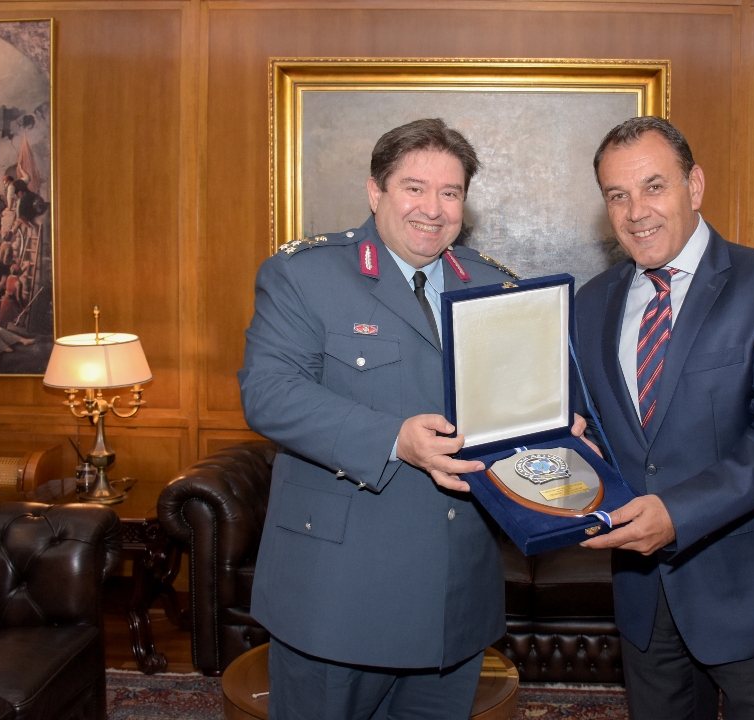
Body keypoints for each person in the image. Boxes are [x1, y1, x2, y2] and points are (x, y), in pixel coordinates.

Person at [239, 117, 589, 720]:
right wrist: (394, 439)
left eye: (450, 192)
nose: (433, 208)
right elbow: (269, 394)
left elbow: (519, 402)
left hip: (455, 592)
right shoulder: (304, 275)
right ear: (376, 192)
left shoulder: (494, 284)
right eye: (414, 188)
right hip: (339, 592)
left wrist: (553, 427)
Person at [575, 116, 754, 720]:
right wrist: (569, 447)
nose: (636, 211)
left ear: (694, 186)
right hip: (644, 595)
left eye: (654, 186)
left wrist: (677, 513)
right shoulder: (590, 304)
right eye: (617, 195)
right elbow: (589, 427)